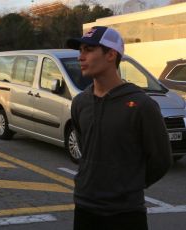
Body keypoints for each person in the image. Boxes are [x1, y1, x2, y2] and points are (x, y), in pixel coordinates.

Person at [66, 26, 172, 230]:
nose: (81, 57)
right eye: (80, 50)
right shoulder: (80, 103)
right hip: (84, 208)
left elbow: (161, 160)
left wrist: (128, 185)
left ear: (111, 54)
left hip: (126, 214)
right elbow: (84, 147)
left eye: (88, 50)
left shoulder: (142, 105)